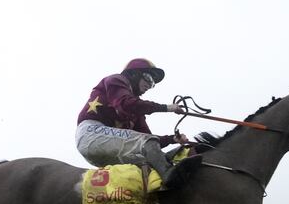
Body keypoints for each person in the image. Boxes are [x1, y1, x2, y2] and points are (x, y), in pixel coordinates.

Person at [75, 58, 203, 189]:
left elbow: (149, 139)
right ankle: (170, 176)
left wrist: (172, 139)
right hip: (91, 133)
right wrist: (167, 107)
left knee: (152, 157)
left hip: (104, 152)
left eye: (152, 83)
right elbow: (126, 104)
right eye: (148, 78)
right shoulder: (116, 80)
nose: (150, 85)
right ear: (134, 74)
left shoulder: (136, 110)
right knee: (147, 143)